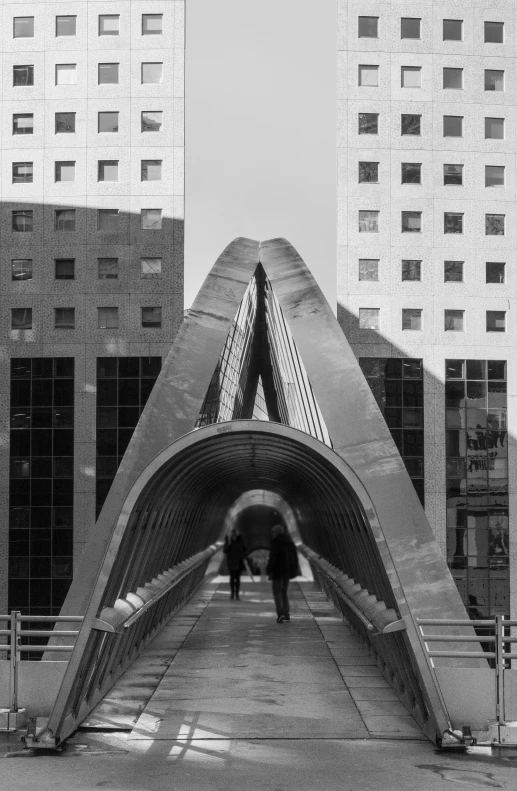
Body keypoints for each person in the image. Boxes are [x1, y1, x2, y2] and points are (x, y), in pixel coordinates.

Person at [266, 524, 301, 623]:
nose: (272, 534)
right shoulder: (290, 542)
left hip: (277, 571)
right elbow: (294, 557)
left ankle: (280, 613)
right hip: (287, 572)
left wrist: (269, 569)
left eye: (273, 532)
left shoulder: (275, 542)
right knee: (284, 592)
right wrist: (293, 570)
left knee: (277, 592)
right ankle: (286, 613)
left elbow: (273, 557)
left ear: (276, 532)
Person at [223, 528, 247, 600]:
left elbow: (244, 549)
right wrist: (230, 544)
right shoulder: (229, 540)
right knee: (232, 578)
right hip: (231, 562)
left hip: (239, 562)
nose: (234, 536)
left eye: (235, 535)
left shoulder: (240, 540)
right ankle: (232, 593)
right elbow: (225, 550)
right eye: (232, 535)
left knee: (238, 578)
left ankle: (237, 594)